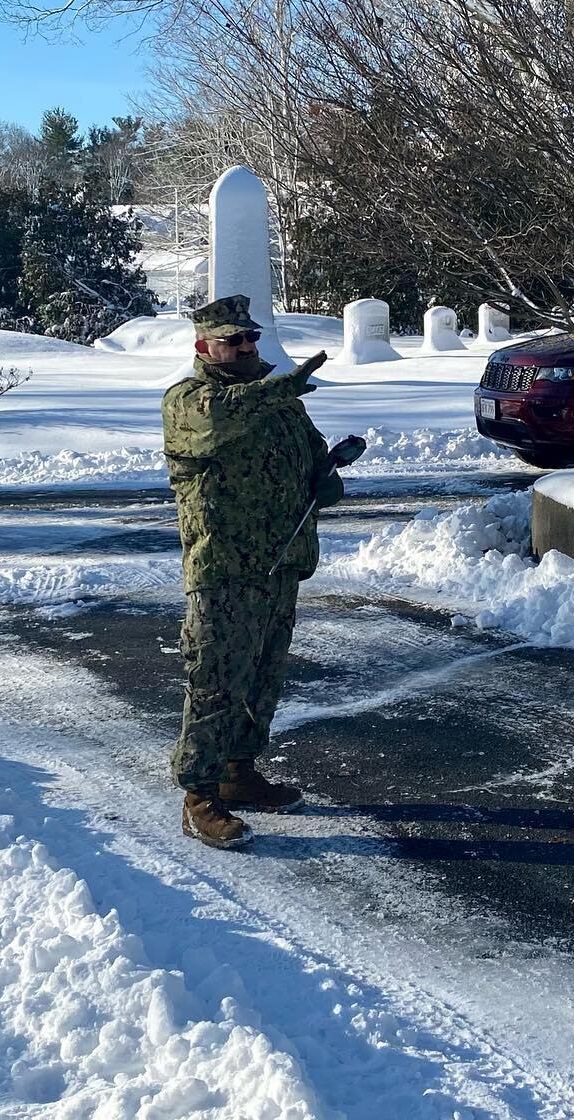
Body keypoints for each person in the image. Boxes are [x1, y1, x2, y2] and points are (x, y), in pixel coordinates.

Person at [162, 295, 341, 849]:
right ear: (203, 347)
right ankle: (199, 795)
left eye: (250, 338)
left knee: (263, 678)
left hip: (279, 562)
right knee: (216, 681)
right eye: (232, 340)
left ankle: (238, 771)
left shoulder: (278, 399)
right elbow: (223, 422)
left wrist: (324, 470)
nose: (245, 347)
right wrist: (279, 389)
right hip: (226, 568)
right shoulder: (191, 400)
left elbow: (304, 450)